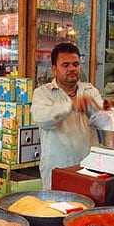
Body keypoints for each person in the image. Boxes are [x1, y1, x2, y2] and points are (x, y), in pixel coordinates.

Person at [31, 43, 103, 189]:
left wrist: (96, 108)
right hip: (57, 169)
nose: (72, 69)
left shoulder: (89, 90)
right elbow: (43, 119)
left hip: (89, 168)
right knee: (57, 209)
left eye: (75, 64)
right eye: (65, 65)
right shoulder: (42, 93)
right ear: (54, 69)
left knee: (87, 209)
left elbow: (104, 119)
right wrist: (70, 105)